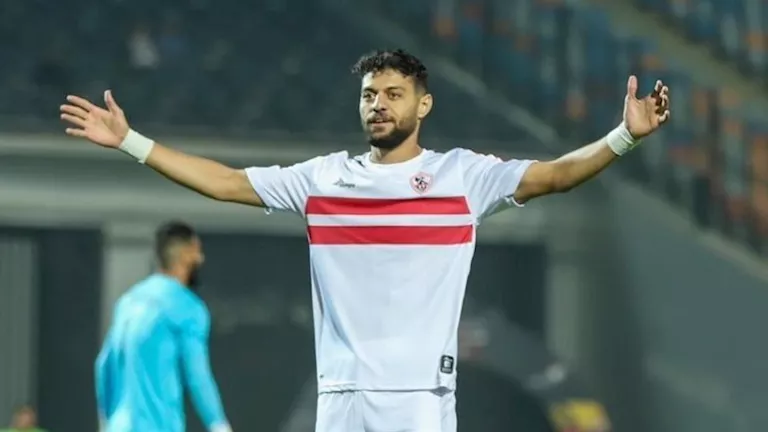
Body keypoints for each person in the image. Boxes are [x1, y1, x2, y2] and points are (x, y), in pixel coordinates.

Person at [60, 49, 670, 431]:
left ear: (423, 105)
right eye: (369, 95)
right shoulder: (322, 179)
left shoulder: (463, 176)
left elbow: (556, 175)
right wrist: (130, 141)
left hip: (418, 398)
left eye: (393, 95)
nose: (378, 105)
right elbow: (224, 182)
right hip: (340, 395)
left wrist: (624, 135)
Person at [95, 221, 232, 432]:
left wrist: (108, 423)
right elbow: (197, 376)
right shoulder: (187, 307)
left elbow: (103, 366)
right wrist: (219, 425)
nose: (201, 259)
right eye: (198, 252)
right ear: (188, 254)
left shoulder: (128, 302)